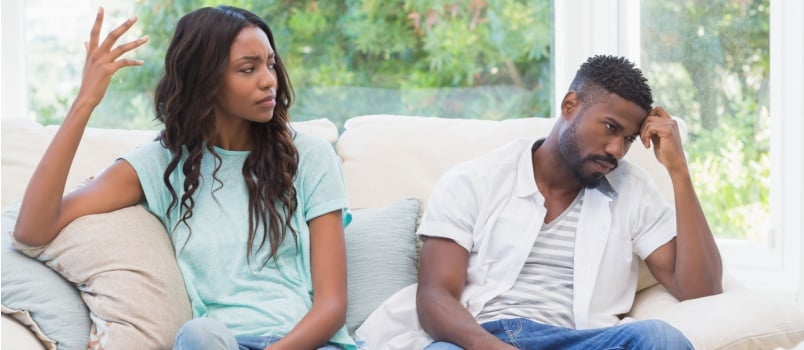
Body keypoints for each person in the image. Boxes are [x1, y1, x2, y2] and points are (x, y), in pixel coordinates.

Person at [13, 6, 359, 350]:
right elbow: (33, 229)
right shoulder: (162, 163)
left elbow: (331, 305)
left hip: (306, 344)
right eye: (248, 69)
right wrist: (85, 102)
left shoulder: (310, 157)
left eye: (270, 64)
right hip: (217, 344)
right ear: (205, 80)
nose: (269, 80)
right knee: (199, 334)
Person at [355, 55, 723, 349]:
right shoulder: (475, 181)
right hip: (487, 336)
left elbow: (700, 289)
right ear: (569, 105)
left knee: (660, 338)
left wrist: (678, 171)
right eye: (610, 128)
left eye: (628, 139)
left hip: (583, 339)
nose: (616, 150)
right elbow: (435, 297)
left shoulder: (633, 190)